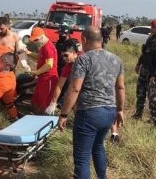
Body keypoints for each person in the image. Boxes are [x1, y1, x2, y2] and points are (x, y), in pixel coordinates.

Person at [58, 26, 125, 179]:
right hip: (109, 111)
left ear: (84, 40)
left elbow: (74, 89)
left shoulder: (83, 59)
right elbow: (120, 87)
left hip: (89, 113)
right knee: (98, 146)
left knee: (82, 158)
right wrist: (119, 110)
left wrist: (64, 114)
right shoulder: (117, 59)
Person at [131, 18, 156, 119]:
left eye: (153, 27)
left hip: (152, 72)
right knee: (140, 93)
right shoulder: (150, 38)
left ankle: (153, 117)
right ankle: (138, 114)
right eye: (152, 27)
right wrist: (138, 64)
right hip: (144, 69)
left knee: (152, 96)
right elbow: (145, 53)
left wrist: (155, 73)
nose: (151, 29)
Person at [28, 27, 58, 114]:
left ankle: (42, 119)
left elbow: (49, 65)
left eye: (36, 40)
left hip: (48, 78)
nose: (35, 42)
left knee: (44, 102)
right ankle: (36, 115)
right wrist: (29, 53)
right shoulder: (43, 46)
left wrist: (37, 72)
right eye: (34, 40)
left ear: (42, 37)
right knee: (37, 99)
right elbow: (40, 56)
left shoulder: (48, 47)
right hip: (42, 77)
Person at [47, 39, 81, 114]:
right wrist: (53, 103)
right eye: (62, 56)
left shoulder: (84, 59)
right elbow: (59, 85)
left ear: (74, 52)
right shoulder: (68, 66)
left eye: (66, 55)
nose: (64, 58)